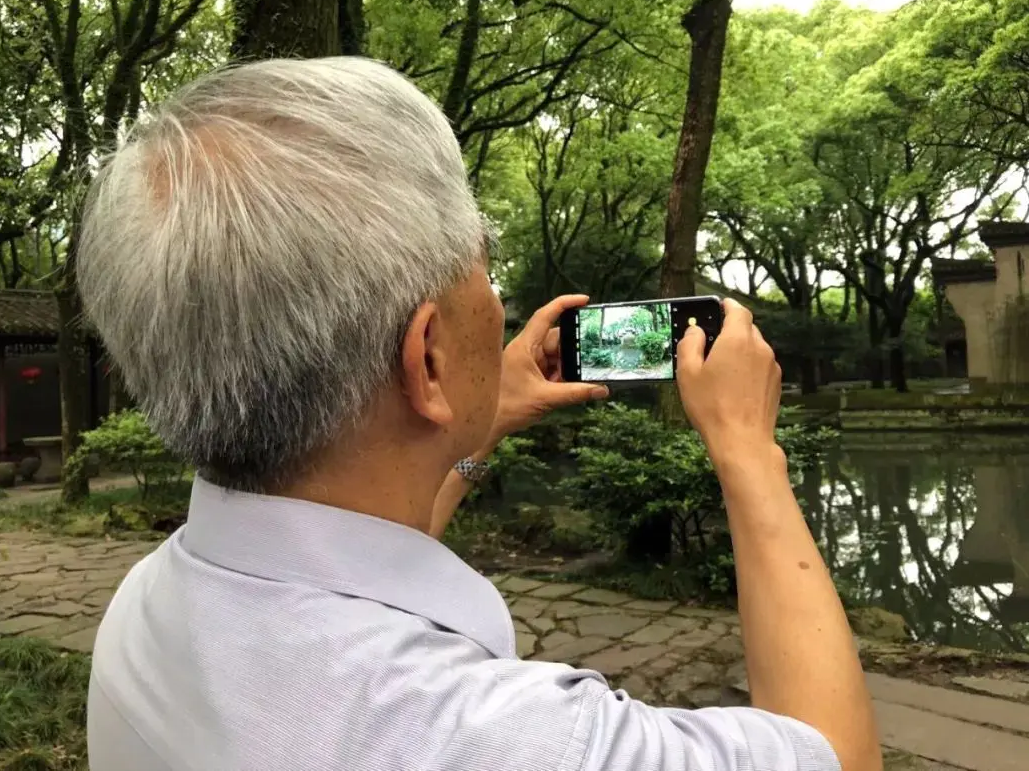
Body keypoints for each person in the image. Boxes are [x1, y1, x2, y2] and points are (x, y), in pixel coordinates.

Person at [78, 57, 881, 771]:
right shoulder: (504, 737)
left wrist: (478, 419)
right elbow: (834, 755)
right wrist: (749, 455)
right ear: (425, 356)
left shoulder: (146, 610)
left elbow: (355, 565)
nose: (498, 305)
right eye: (485, 273)